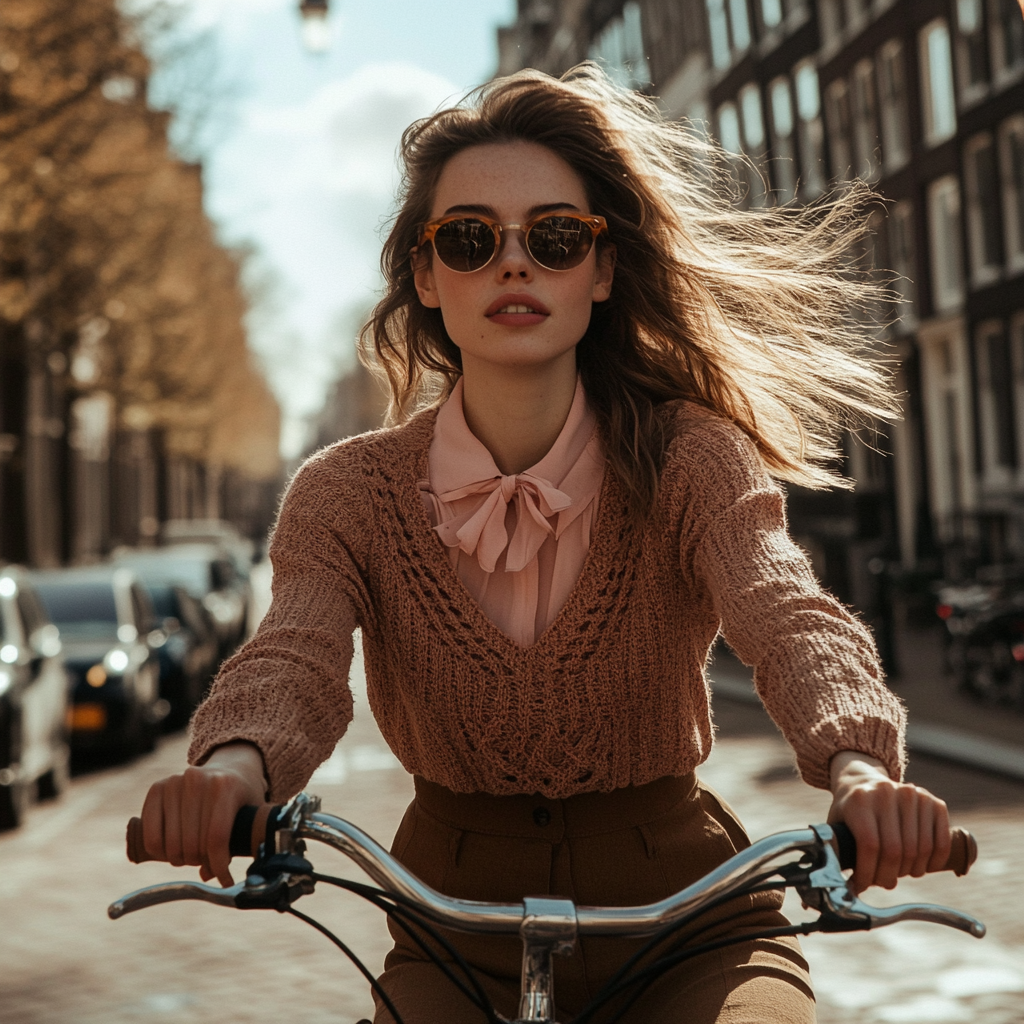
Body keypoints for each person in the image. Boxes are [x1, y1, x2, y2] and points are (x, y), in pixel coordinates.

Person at [139, 66, 952, 1023]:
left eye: (556, 237)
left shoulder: (694, 456)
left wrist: (861, 769)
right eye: (472, 240)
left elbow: (788, 615)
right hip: (451, 923)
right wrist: (233, 769)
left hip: (687, 916)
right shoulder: (343, 493)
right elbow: (296, 656)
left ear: (601, 270)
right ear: (426, 275)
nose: (514, 266)